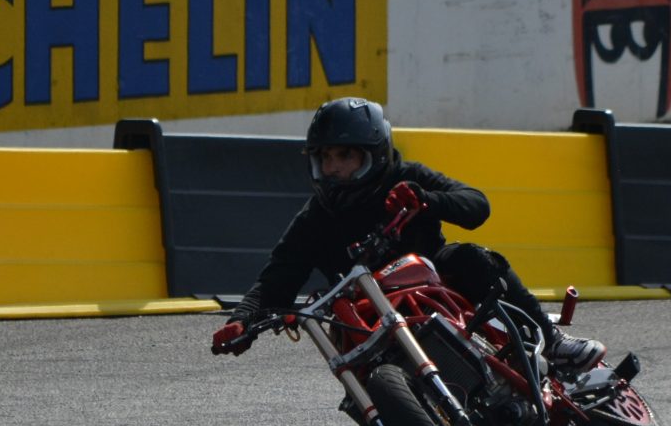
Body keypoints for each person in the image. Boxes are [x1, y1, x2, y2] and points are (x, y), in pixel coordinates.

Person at [212, 97, 605, 372]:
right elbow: (277, 277)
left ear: (374, 153)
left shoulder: (405, 178)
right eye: (325, 157)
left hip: (438, 287)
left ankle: (551, 341)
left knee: (471, 257)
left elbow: (476, 204)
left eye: (345, 156)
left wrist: (428, 200)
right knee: (341, 339)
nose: (333, 167)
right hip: (371, 313)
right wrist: (244, 321)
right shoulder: (316, 216)